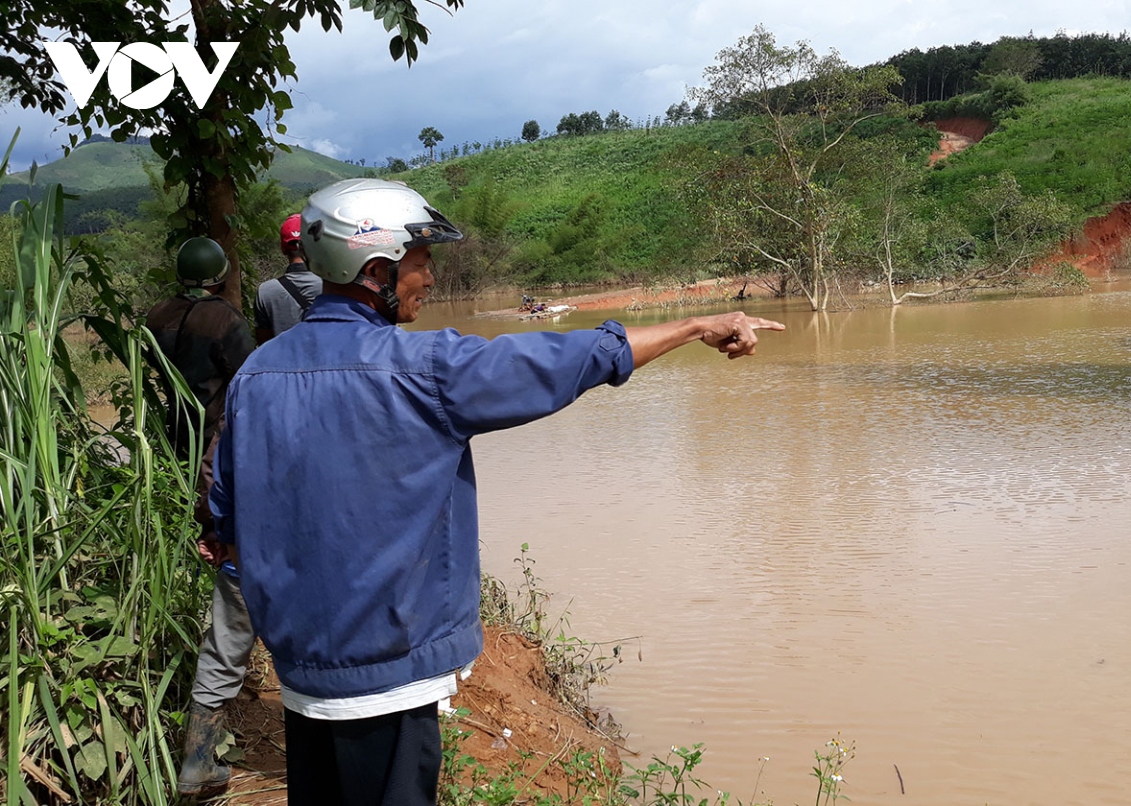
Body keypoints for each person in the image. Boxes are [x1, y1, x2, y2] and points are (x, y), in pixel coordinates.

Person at [208, 178, 784, 806]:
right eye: (421, 264)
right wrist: (697, 326)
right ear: (376, 271)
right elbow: (561, 362)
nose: (428, 281)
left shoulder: (255, 376)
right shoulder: (423, 372)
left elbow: (224, 519)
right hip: (389, 679)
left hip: (302, 677)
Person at [145, 237, 256, 796]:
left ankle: (196, 755)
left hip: (169, 444)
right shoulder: (225, 319)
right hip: (217, 441)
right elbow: (252, 383)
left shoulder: (156, 316)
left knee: (224, 594)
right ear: (219, 273)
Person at [253, 213, 322, 344]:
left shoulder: (266, 291)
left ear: (283, 249)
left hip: (282, 363)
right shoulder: (332, 285)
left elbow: (263, 345)